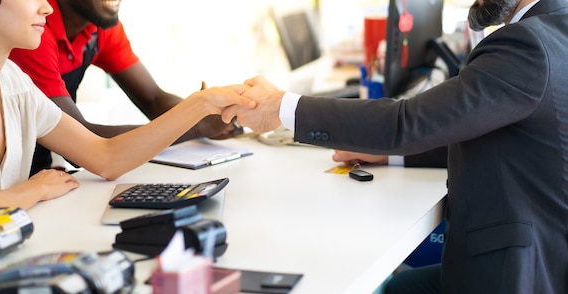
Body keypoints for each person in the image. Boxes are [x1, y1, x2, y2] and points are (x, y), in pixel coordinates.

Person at [225, 0, 568, 293]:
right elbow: (496, 130)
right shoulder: (555, 28)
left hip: (523, 273)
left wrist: (283, 108)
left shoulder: (527, 45)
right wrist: (393, 153)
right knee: (400, 286)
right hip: (549, 255)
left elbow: (407, 122)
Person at [0, 0, 255, 217]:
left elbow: (106, 158)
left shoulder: (15, 84)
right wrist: (35, 188)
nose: (47, 7)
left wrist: (201, 104)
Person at [7, 0, 243, 175]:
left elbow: (153, 98)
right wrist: (197, 122)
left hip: (41, 178)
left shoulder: (99, 27)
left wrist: (211, 113)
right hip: (16, 183)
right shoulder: (32, 31)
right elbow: (82, 145)